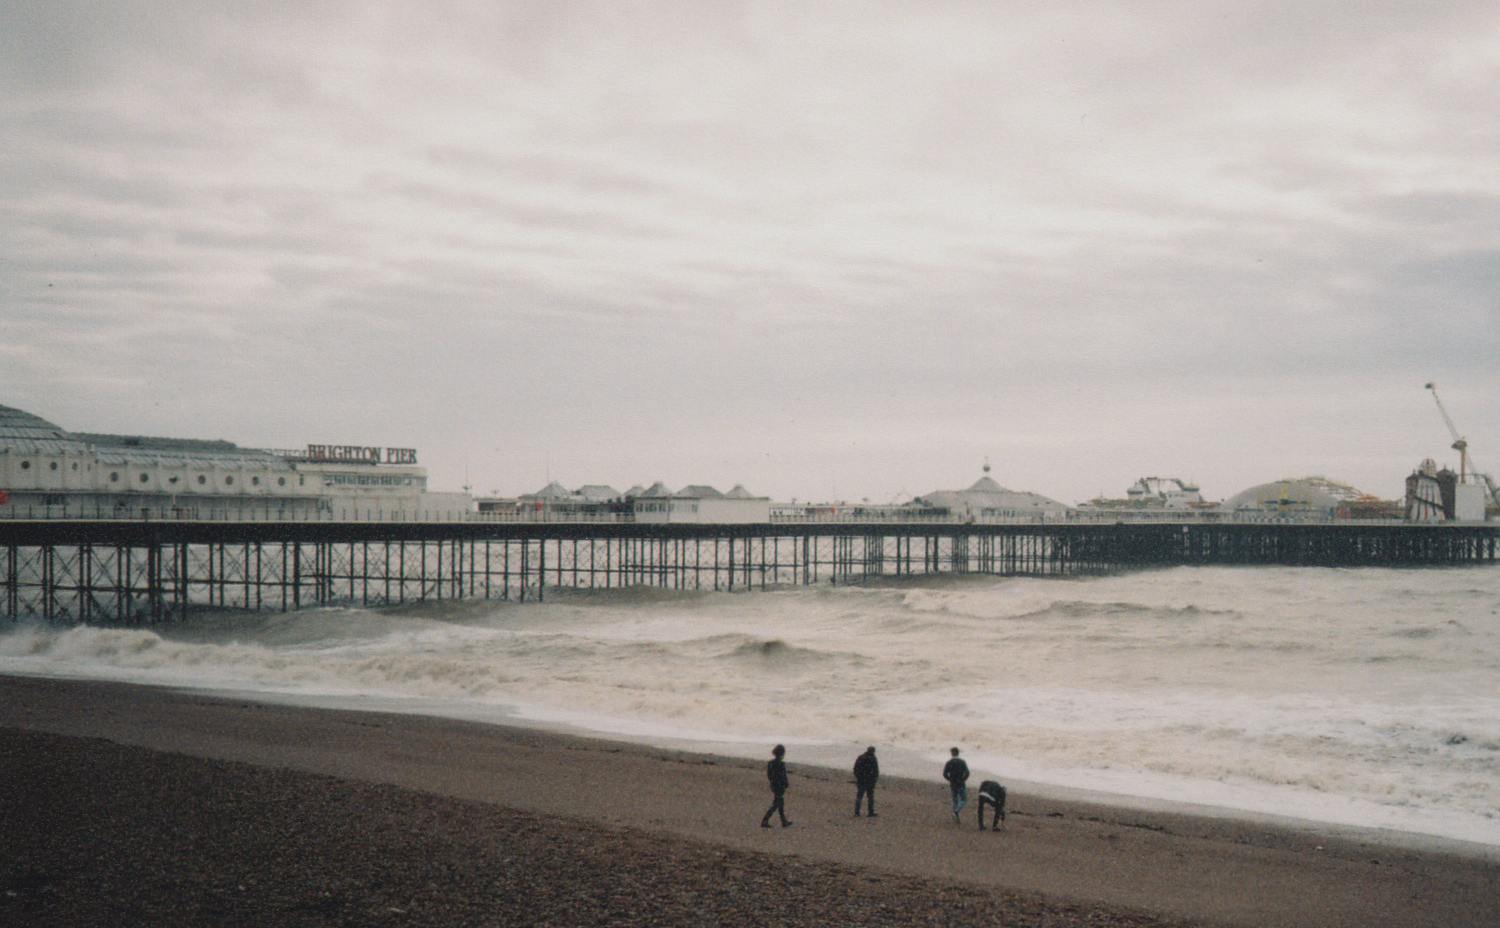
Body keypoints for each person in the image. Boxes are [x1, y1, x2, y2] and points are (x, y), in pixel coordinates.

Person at [760, 744, 792, 828]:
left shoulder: (771, 763)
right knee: (776, 804)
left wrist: (772, 782)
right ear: (782, 754)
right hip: (780, 786)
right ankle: (765, 820)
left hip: (774, 785)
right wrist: (785, 784)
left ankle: (783, 821)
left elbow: (769, 775)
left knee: (780, 803)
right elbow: (783, 776)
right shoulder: (781, 764)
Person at [942, 747, 969, 824]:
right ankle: (956, 812)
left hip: (953, 783)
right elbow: (967, 773)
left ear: (952, 753)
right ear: (958, 753)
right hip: (960, 783)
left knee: (955, 800)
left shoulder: (949, 762)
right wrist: (963, 779)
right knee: (963, 799)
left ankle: (955, 816)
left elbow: (944, 774)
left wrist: (950, 779)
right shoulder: (962, 762)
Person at [853, 746, 879, 817]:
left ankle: (857, 812)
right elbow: (876, 771)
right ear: (873, 751)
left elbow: (855, 769)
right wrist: (874, 780)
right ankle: (871, 812)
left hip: (861, 780)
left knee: (859, 796)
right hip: (869, 781)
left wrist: (858, 777)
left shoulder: (861, 757)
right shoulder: (873, 759)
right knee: (870, 796)